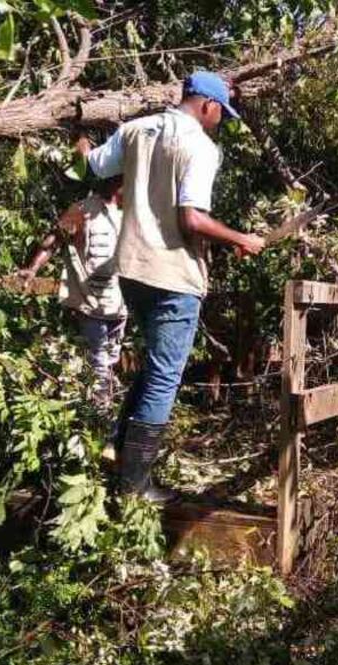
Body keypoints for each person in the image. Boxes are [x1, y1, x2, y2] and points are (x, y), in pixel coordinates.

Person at [79, 70, 267, 501]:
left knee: (151, 368)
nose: (220, 122)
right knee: (164, 378)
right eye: (222, 114)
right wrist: (241, 238)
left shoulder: (136, 129)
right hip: (172, 277)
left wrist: (79, 133)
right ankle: (135, 486)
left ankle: (118, 455)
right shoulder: (200, 146)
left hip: (132, 270)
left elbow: (93, 165)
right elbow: (191, 219)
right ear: (208, 105)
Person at [19, 174, 126, 405]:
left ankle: (100, 415)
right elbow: (55, 239)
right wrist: (33, 268)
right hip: (90, 304)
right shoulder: (83, 210)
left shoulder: (132, 212)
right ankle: (99, 419)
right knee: (98, 366)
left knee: (110, 361)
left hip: (120, 306)